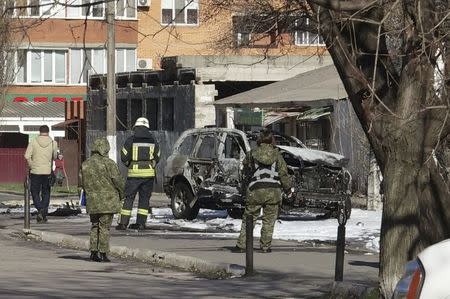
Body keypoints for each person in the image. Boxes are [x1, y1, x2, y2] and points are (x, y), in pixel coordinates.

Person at [234, 128, 292, 253]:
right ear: (272, 140)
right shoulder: (277, 155)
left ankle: (241, 245)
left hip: (255, 191)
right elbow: (283, 174)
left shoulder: (251, 154)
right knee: (269, 220)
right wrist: (288, 189)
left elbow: (245, 172)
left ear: (259, 140)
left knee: (249, 219)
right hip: (273, 192)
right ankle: (265, 246)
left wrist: (245, 187)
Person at [80, 138, 125, 262]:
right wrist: (122, 194)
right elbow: (118, 181)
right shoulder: (109, 163)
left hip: (92, 200)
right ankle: (103, 253)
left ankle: (93, 252)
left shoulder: (85, 164)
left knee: (94, 226)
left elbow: (81, 182)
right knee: (105, 227)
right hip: (108, 200)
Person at [116, 117, 160, 231]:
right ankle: (141, 223)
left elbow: (124, 156)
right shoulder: (153, 140)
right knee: (144, 199)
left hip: (134, 174)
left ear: (136, 127)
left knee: (129, 198)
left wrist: (129, 164)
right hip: (149, 175)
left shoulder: (131, 140)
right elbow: (158, 157)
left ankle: (123, 224)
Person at [24, 125, 58, 223]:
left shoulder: (33, 142)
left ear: (39, 132)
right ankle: (43, 213)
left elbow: (27, 155)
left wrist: (32, 164)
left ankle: (40, 209)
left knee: (34, 192)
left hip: (35, 171)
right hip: (47, 171)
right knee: (46, 193)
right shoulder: (53, 143)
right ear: (48, 132)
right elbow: (54, 156)